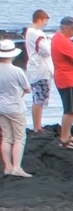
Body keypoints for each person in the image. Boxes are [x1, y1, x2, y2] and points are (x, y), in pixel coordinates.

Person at [50, 16, 73, 151]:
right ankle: (64, 137)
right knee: (70, 110)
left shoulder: (60, 39)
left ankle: (67, 134)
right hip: (67, 79)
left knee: (72, 108)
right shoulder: (63, 41)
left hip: (68, 78)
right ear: (65, 27)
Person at [0, 40, 32, 177]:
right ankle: (17, 167)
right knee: (19, 137)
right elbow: (27, 89)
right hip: (15, 107)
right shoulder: (17, 71)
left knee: (6, 137)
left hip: (1, 107)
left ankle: (7, 166)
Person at [24, 10, 53, 137]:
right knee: (38, 98)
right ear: (39, 19)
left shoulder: (35, 33)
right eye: (45, 21)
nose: (45, 24)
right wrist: (50, 42)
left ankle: (38, 126)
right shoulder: (34, 33)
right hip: (39, 69)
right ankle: (37, 127)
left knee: (40, 98)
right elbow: (46, 51)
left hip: (40, 69)